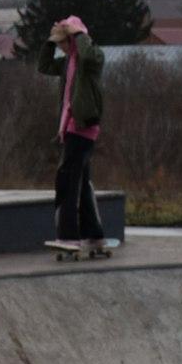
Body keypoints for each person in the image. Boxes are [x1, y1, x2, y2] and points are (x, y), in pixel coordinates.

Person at [40, 15, 114, 253]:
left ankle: (69, 236)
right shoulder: (67, 63)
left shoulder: (91, 60)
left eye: (64, 42)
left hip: (83, 126)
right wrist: (51, 41)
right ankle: (94, 235)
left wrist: (79, 34)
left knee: (67, 181)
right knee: (81, 182)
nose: (62, 47)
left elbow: (89, 55)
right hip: (71, 127)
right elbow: (43, 66)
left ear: (74, 40)